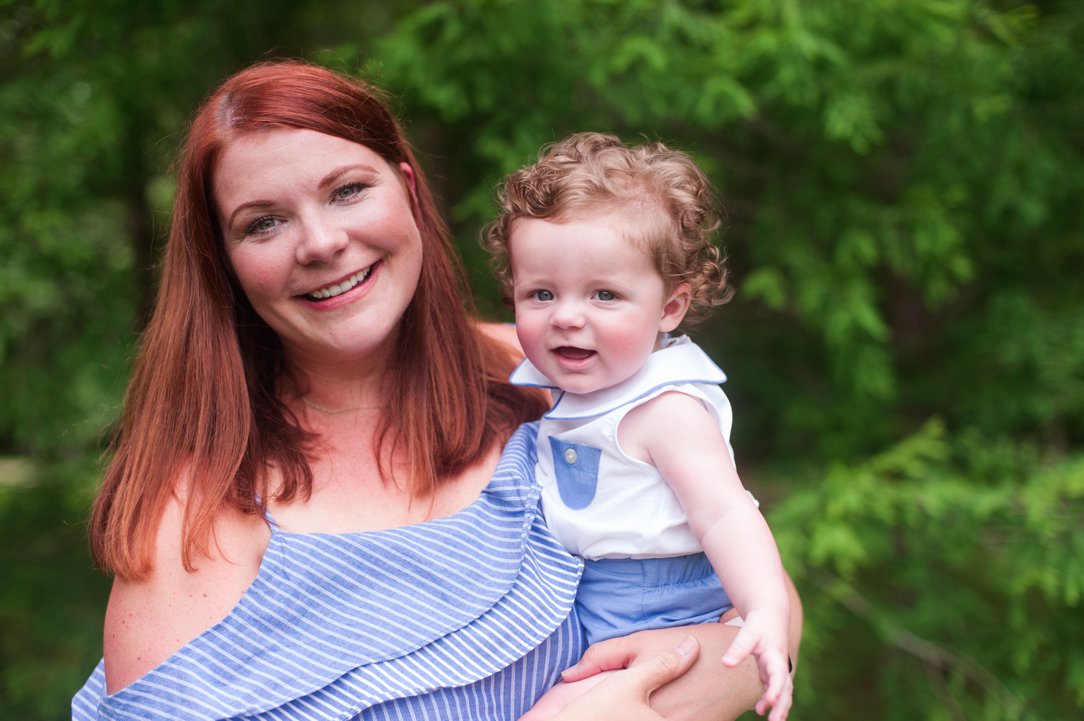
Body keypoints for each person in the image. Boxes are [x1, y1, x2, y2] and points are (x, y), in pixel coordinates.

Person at [71, 60, 800, 720]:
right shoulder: (196, 514)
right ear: (225, 261)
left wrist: (709, 671)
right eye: (264, 222)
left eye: (349, 190)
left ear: (408, 191)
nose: (321, 242)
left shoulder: (550, 373)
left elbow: (757, 601)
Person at [482, 132, 793, 720]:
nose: (568, 317)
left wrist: (765, 611)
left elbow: (726, 513)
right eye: (541, 293)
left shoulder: (663, 408)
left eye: (605, 294)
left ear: (669, 309)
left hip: (666, 605)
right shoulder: (559, 390)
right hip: (590, 602)